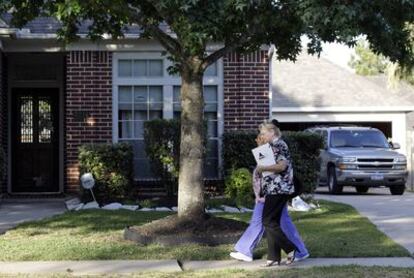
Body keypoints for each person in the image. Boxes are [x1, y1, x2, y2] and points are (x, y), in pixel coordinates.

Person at [230, 122, 309, 265]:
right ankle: (273, 258)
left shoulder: (280, 145)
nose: (262, 136)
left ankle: (291, 249)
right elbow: (265, 166)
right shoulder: (272, 146)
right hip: (273, 189)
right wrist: (261, 149)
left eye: (264, 133)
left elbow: (281, 166)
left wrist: (262, 168)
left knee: (267, 221)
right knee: (273, 222)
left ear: (272, 132)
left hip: (279, 189)